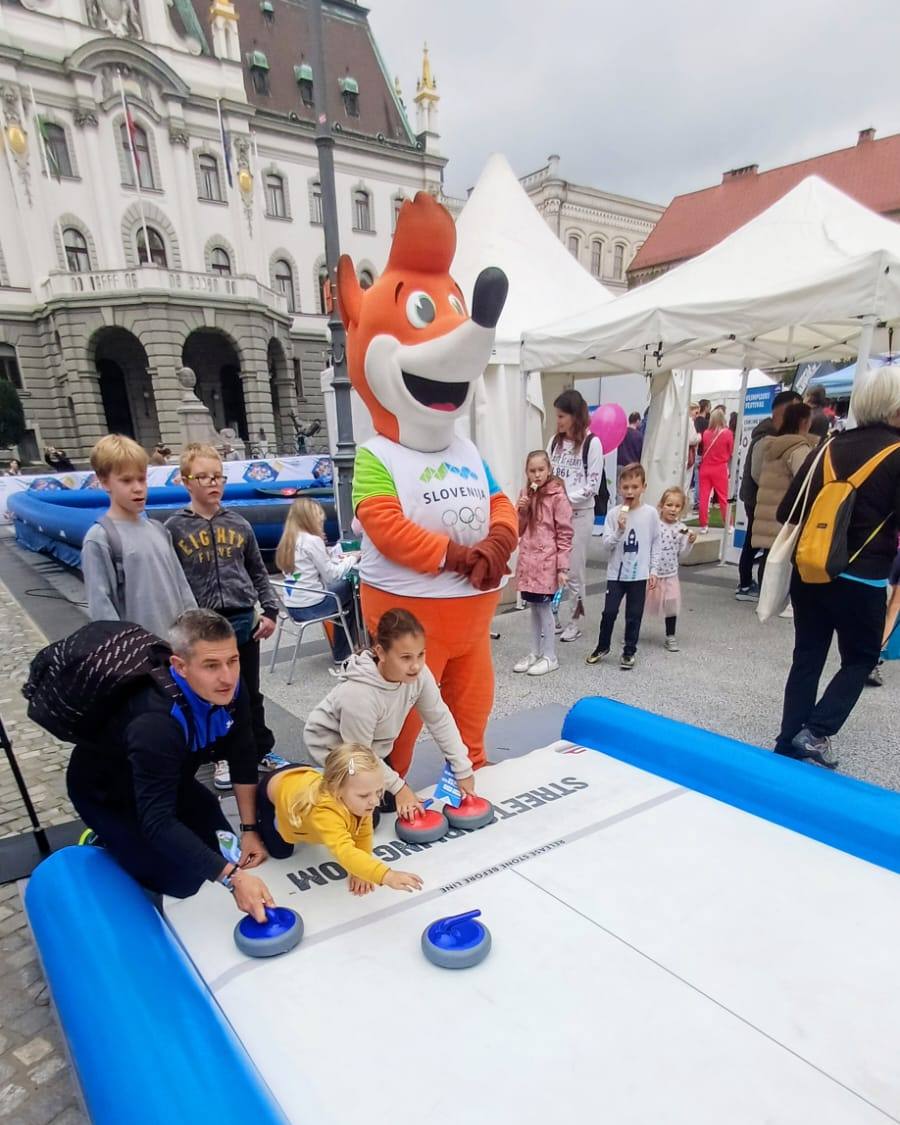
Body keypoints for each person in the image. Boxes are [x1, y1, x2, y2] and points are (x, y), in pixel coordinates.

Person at [66, 610, 273, 919]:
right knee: (183, 880)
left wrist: (249, 829)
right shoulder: (155, 724)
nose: (227, 677)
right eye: (211, 665)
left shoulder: (231, 686)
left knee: (220, 846)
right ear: (180, 666)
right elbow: (157, 821)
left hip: (170, 778)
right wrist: (234, 878)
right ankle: (104, 837)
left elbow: (243, 754)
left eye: (233, 660)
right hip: (108, 793)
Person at [773, 365, 900, 767]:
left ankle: (787, 741)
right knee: (861, 658)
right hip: (862, 577)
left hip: (810, 570)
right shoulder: (897, 454)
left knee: (807, 655)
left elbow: (784, 511)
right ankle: (816, 731)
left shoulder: (826, 446)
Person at [166, 444, 283, 788]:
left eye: (217, 476)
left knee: (249, 691)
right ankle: (220, 757)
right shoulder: (174, 528)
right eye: (203, 477)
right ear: (187, 482)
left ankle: (259, 748)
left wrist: (270, 609)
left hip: (242, 619)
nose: (212, 483)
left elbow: (258, 571)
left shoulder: (239, 523)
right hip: (202, 625)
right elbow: (172, 578)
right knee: (211, 693)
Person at [303, 608, 477, 819]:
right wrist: (400, 788)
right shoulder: (359, 695)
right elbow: (359, 755)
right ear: (381, 653)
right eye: (405, 657)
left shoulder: (419, 674)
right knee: (367, 818)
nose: (415, 665)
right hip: (337, 751)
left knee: (390, 805)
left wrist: (462, 768)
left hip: (369, 748)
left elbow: (439, 718)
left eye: (421, 654)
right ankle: (314, 788)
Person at [255, 743, 423, 896]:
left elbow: (363, 834)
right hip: (275, 787)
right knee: (281, 851)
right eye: (364, 795)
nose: (375, 801)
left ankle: (320, 776)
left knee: (367, 817)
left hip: (306, 776)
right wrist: (387, 875)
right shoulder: (323, 810)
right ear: (337, 791)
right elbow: (345, 851)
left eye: (379, 791)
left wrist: (359, 872)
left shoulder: (363, 800)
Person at [81, 434, 196, 639]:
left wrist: (195, 633)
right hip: (138, 655)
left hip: (177, 649)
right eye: (126, 480)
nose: (137, 488)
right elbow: (102, 608)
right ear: (104, 482)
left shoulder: (158, 529)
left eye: (141, 479)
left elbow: (182, 588)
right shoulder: (100, 538)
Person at [586, 463, 660, 671]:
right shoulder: (613, 514)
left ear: (643, 487)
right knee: (609, 612)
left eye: (635, 487)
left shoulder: (650, 514)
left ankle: (629, 651)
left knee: (634, 615)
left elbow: (656, 542)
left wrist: (653, 570)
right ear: (619, 487)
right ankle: (602, 646)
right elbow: (607, 545)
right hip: (616, 574)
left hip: (639, 575)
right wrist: (619, 530)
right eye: (626, 487)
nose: (630, 492)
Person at [547, 389, 604, 642]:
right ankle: (553, 615)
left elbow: (593, 485)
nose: (558, 421)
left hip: (579, 515)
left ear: (574, 416)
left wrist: (565, 497)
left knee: (574, 570)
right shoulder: (554, 442)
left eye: (562, 416)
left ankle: (575, 619)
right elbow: (547, 473)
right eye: (557, 416)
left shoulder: (592, 443)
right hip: (553, 515)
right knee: (552, 566)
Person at [736, 390, 802, 601]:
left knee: (759, 543)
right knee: (759, 543)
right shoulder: (765, 437)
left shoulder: (770, 435)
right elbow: (758, 473)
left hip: (763, 499)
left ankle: (752, 585)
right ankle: (749, 586)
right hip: (760, 500)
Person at [275, 497, 358, 663]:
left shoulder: (289, 540)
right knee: (348, 590)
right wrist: (353, 558)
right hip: (311, 606)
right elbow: (332, 575)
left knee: (338, 594)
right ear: (310, 518)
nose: (322, 521)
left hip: (291, 607)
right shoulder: (312, 541)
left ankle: (343, 649)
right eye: (319, 517)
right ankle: (344, 652)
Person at [513, 450, 573, 676]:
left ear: (549, 469)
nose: (537, 475)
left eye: (541, 470)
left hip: (547, 560)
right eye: (532, 471)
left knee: (545, 607)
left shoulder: (557, 496)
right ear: (526, 473)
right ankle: (534, 651)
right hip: (529, 560)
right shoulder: (526, 494)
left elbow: (565, 533)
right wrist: (522, 511)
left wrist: (562, 567)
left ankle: (550, 655)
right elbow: (519, 530)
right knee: (533, 607)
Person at [750, 403, 819, 563]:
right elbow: (806, 483)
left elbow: (756, 474)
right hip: (786, 518)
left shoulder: (767, 446)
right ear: (804, 422)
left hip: (766, 515)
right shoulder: (799, 449)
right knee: (781, 570)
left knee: (767, 563)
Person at [647, 486, 696, 652]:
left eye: (677, 506)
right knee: (639, 603)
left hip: (670, 574)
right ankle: (631, 632)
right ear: (661, 505)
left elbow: (682, 554)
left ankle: (670, 635)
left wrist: (689, 542)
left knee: (671, 604)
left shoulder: (681, 529)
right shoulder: (654, 524)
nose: (673, 509)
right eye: (669, 505)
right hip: (651, 573)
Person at [697, 407, 734, 533]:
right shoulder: (728, 433)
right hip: (720, 468)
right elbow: (731, 451)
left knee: (704, 497)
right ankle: (728, 524)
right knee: (724, 498)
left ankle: (703, 525)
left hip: (705, 467)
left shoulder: (706, 433)